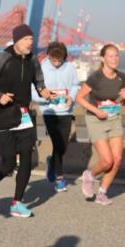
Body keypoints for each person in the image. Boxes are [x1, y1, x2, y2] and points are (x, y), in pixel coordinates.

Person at [0, 24, 53, 218]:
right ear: (17, 41)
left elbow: (38, 81)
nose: (30, 43)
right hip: (2, 116)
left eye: (32, 40)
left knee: (26, 159)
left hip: (24, 116)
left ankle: (17, 203)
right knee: (8, 162)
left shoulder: (33, 60)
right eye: (26, 40)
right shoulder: (2, 59)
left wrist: (44, 91)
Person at [74, 44, 125, 205]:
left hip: (114, 119)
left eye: (117, 55)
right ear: (103, 58)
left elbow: (123, 101)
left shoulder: (122, 77)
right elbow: (80, 98)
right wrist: (96, 111)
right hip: (96, 119)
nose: (115, 59)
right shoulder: (95, 77)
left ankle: (102, 193)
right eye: (111, 56)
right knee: (107, 161)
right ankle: (90, 175)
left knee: (117, 159)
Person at [32, 41, 78, 193]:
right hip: (49, 111)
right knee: (58, 142)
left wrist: (71, 97)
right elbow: (34, 92)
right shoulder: (41, 68)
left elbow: (75, 85)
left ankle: (52, 162)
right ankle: (59, 178)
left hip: (66, 111)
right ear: (48, 56)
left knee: (62, 145)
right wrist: (47, 98)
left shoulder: (70, 67)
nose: (57, 63)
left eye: (60, 60)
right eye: (54, 60)